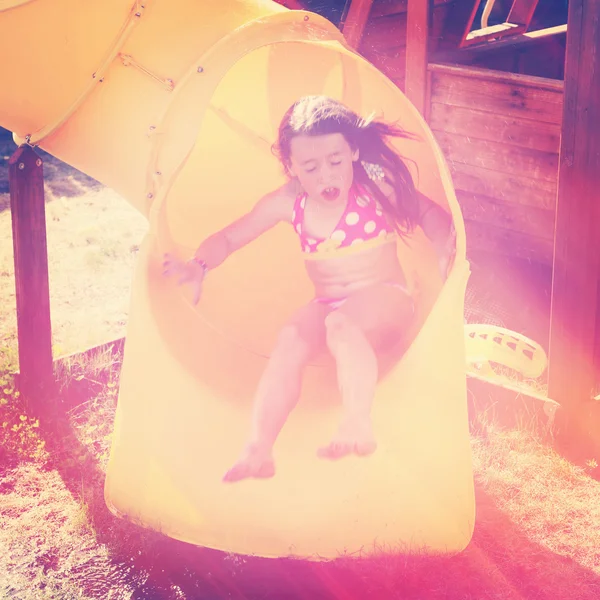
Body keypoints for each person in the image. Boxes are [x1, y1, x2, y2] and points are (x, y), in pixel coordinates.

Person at [162, 96, 455, 483]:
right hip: (330, 304)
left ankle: (356, 423)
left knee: (340, 325)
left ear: (352, 150)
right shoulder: (289, 202)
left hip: (388, 300)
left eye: (335, 162)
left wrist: (443, 247)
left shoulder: (375, 186)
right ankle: (258, 450)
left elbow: (430, 213)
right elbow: (231, 237)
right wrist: (198, 266)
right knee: (290, 341)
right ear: (291, 167)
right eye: (311, 167)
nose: (325, 177)